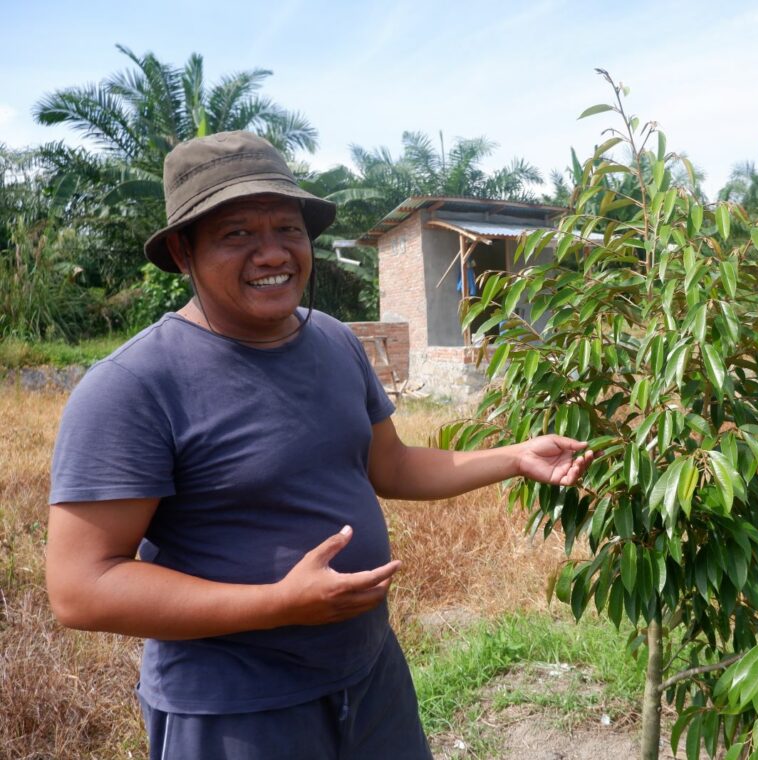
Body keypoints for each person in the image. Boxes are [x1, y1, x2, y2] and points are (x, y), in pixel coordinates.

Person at [45, 130, 593, 759]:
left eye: (289, 228)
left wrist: (514, 457)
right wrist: (278, 605)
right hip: (236, 709)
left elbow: (391, 465)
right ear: (182, 250)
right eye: (237, 235)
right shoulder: (134, 387)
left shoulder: (332, 340)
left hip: (369, 676)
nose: (272, 252)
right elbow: (80, 587)